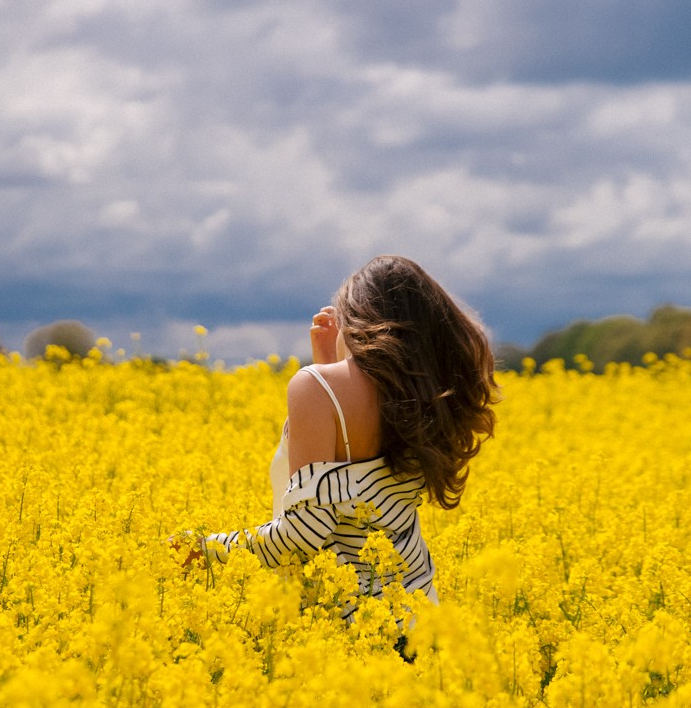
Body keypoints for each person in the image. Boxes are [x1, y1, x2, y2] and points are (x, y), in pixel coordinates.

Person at [188, 255, 498, 625]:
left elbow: (304, 533)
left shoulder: (316, 388)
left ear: (358, 316)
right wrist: (328, 360)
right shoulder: (423, 398)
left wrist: (203, 550)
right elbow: (361, 489)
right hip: (421, 622)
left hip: (349, 627)